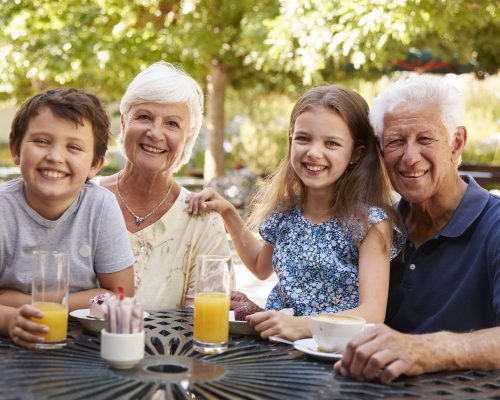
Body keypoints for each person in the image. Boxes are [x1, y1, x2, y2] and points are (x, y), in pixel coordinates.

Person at [188, 85, 404, 341]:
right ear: (291, 139)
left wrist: (300, 326)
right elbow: (260, 267)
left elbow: (372, 313)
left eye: (332, 143)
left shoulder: (370, 222)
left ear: (356, 153)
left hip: (331, 355)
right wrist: (228, 213)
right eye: (303, 138)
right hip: (275, 349)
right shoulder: (286, 212)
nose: (314, 152)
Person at [335, 75, 500, 383]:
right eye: (396, 141)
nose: (410, 157)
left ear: (457, 142)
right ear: (380, 150)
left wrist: (423, 349)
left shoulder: (494, 226)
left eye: (425, 139)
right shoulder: (375, 229)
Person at [1, 88, 135, 346]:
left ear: (95, 165)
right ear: (16, 150)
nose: (55, 157)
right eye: (41, 141)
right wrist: (9, 320)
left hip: (84, 347)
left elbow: (121, 296)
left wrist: (24, 302)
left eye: (73, 147)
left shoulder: (101, 206)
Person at [98, 62, 232, 310]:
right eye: (144, 117)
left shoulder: (202, 221)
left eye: (172, 124)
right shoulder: (83, 198)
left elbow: (206, 320)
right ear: (125, 122)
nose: (155, 133)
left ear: (187, 138)